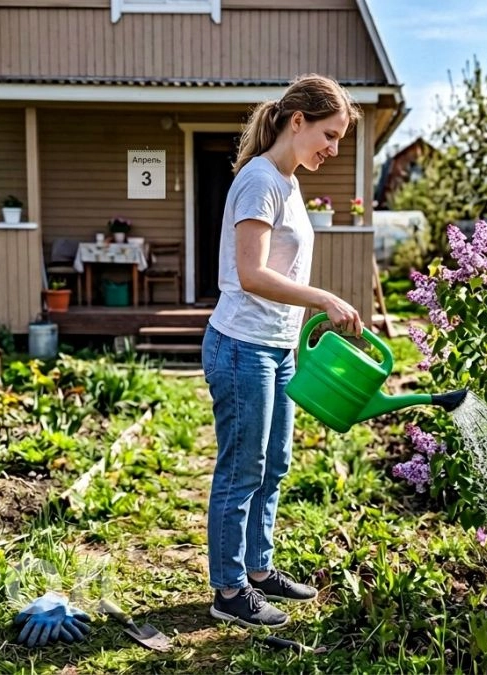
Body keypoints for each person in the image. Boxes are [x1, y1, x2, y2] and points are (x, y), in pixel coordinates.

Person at [203, 74, 364, 628]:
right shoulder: (260, 181)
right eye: (330, 134)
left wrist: (303, 325)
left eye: (340, 138)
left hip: (277, 347)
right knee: (241, 468)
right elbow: (251, 274)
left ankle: (258, 569)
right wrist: (323, 297)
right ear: (298, 121)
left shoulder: (289, 183)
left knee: (274, 465)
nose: (333, 149)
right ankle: (228, 590)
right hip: (242, 345)